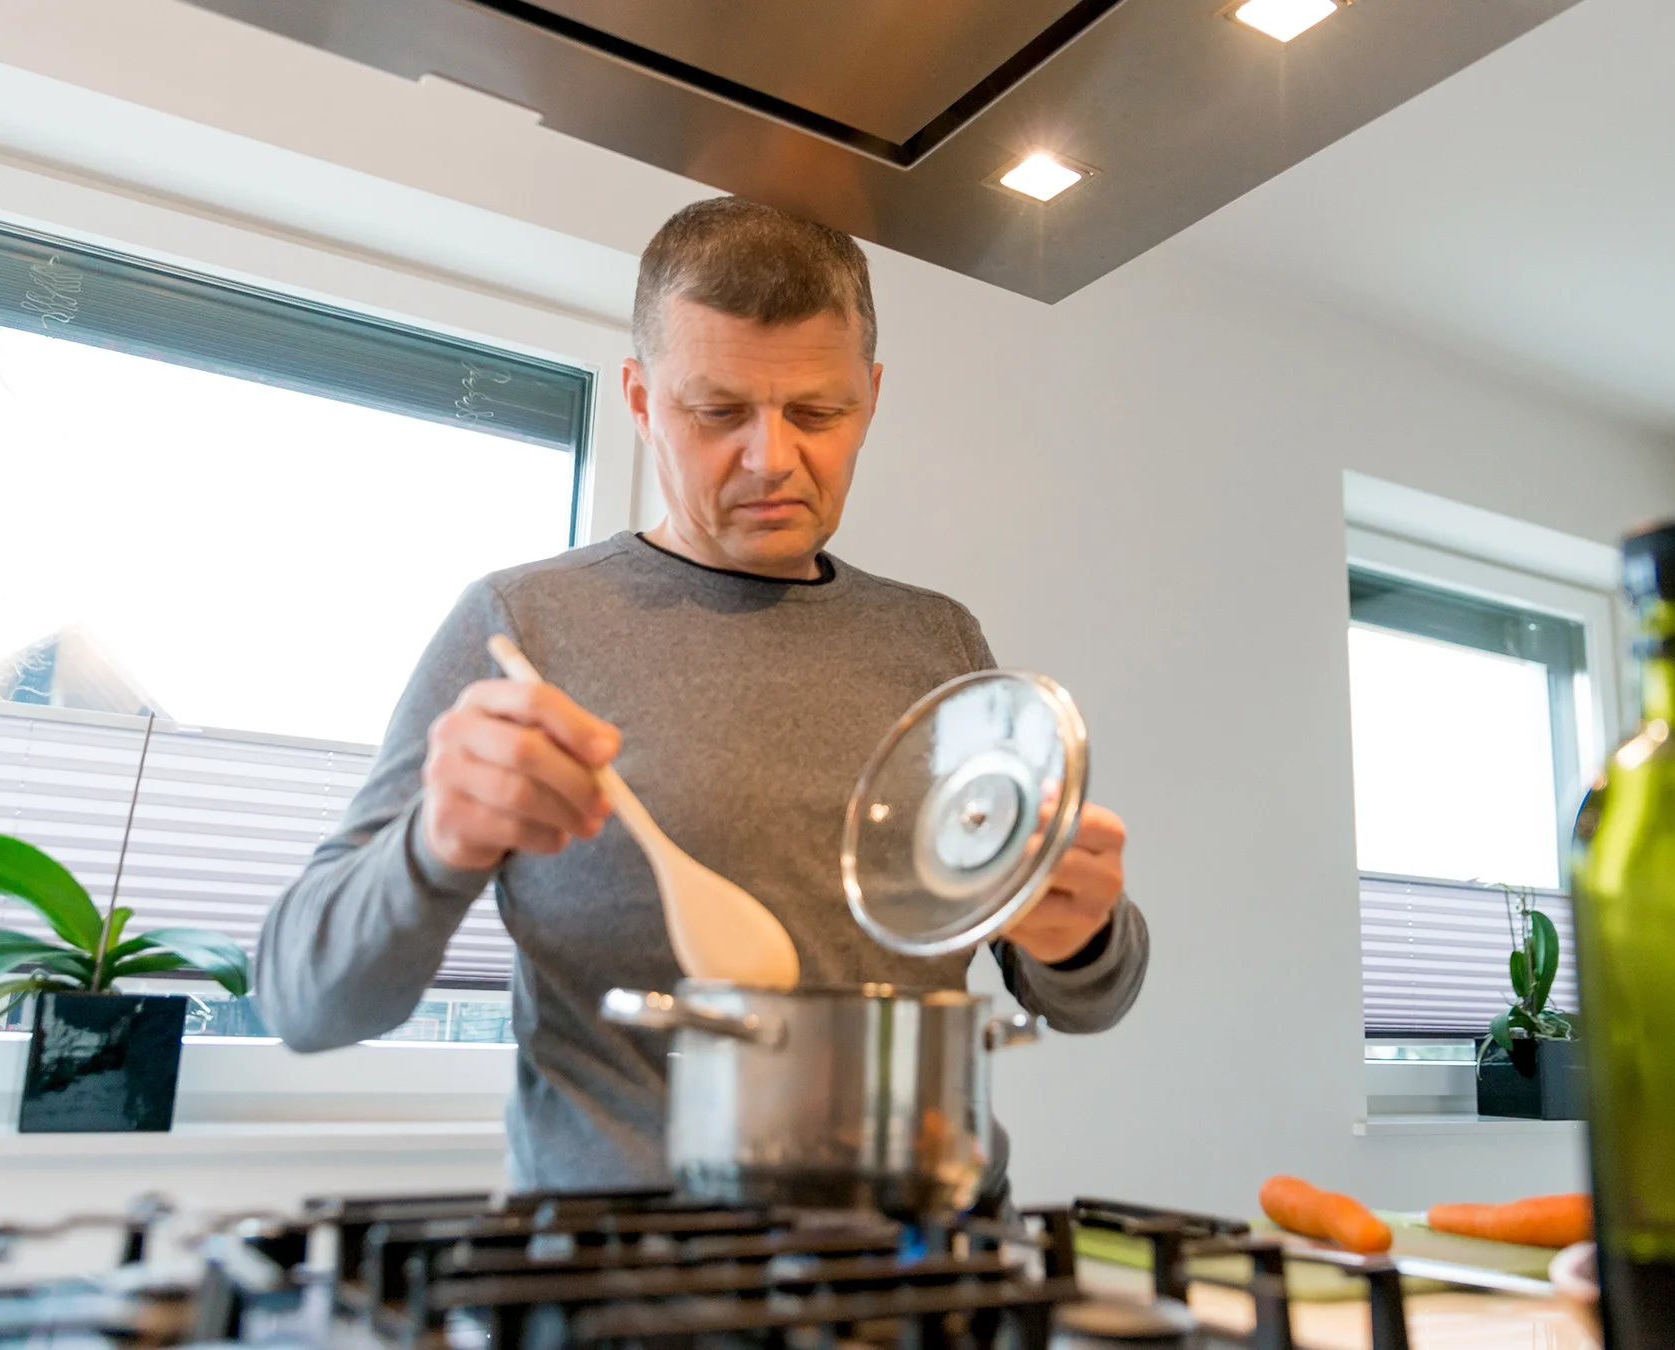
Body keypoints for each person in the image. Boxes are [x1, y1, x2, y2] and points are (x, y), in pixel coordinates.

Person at [257, 197, 1150, 1194]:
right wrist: (434, 845)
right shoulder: (520, 624)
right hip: (627, 1282)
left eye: (819, 412)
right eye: (716, 412)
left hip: (929, 1265)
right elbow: (305, 1001)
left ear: (873, 395)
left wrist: (1079, 931)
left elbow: (1084, 997)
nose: (772, 457)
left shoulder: (937, 639)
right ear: (640, 401)